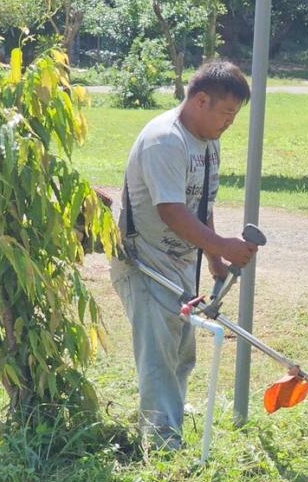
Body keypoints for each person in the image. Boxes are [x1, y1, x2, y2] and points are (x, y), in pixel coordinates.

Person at [110, 60, 258, 450]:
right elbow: (171, 210)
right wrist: (222, 244)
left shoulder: (208, 142)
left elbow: (200, 200)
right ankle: (161, 449)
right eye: (225, 113)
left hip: (181, 266)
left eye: (234, 116)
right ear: (200, 100)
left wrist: (212, 256)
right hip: (144, 262)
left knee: (180, 353)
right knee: (159, 358)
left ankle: (166, 433)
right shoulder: (165, 140)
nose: (229, 123)